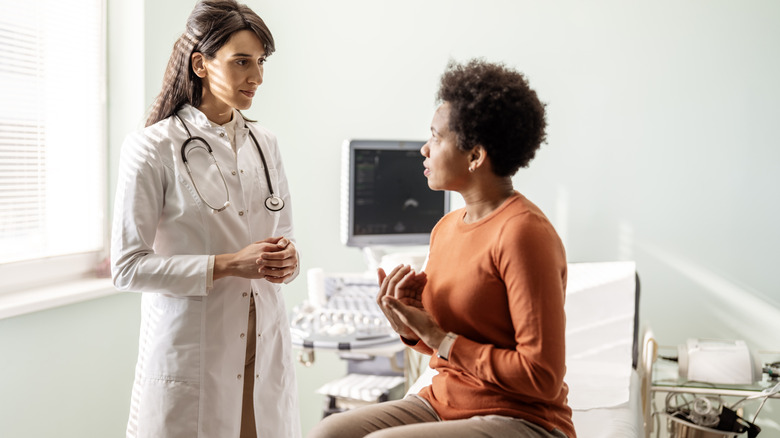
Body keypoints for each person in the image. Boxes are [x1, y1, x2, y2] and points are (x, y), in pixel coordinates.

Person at [307, 59, 575, 438]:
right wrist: (408, 322)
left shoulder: (523, 233)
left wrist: (438, 337)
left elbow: (541, 377)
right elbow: (444, 343)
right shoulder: (446, 228)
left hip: (520, 417)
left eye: (436, 137)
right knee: (327, 433)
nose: (424, 149)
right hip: (443, 404)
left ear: (475, 156)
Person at [111, 1, 301, 437]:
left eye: (260, 62)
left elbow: (284, 235)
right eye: (241, 62)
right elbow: (127, 267)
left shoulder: (265, 143)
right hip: (195, 350)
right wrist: (229, 264)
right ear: (200, 63)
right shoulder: (151, 148)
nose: (256, 77)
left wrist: (288, 260)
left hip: (263, 346)